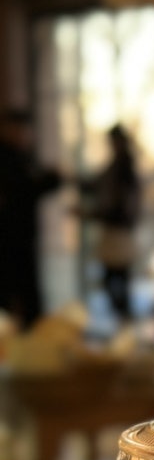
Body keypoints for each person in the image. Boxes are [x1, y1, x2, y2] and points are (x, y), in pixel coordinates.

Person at [0, 108, 63, 329]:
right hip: (9, 237)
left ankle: (30, 335)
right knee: (16, 290)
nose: (24, 135)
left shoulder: (23, 156)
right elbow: (24, 189)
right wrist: (51, 179)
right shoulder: (7, 158)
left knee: (25, 290)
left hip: (22, 235)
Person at [82, 124, 142, 320]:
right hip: (116, 230)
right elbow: (95, 187)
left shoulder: (124, 169)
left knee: (117, 278)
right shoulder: (117, 166)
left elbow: (119, 207)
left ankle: (124, 318)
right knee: (115, 278)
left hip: (119, 231)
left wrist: (91, 214)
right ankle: (122, 317)